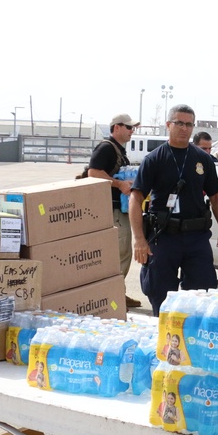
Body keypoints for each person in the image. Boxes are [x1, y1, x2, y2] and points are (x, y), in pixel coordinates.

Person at [130, 105, 218, 315]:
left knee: (202, 294)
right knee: (161, 296)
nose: (184, 128)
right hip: (164, 237)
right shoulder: (154, 159)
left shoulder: (203, 159)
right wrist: (139, 239)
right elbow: (136, 197)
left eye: (189, 124)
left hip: (196, 238)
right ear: (168, 125)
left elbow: (216, 196)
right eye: (179, 123)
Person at [88, 113, 140, 308]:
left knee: (122, 252)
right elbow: (93, 173)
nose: (131, 131)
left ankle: (118, 292)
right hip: (112, 210)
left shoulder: (117, 150)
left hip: (118, 209)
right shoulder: (106, 149)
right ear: (116, 127)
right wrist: (119, 184)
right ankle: (112, 296)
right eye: (128, 127)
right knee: (121, 252)